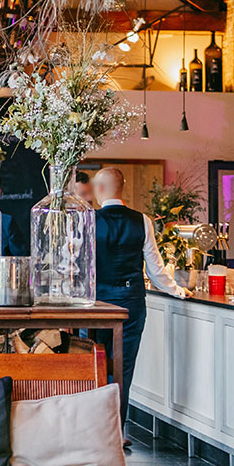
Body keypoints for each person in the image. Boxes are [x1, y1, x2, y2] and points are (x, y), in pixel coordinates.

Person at [91, 167, 185, 427]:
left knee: (94, 364)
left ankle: (97, 429)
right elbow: (155, 269)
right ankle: (117, 430)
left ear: (100, 189)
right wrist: (175, 290)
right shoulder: (141, 220)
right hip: (131, 302)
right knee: (124, 368)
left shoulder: (89, 220)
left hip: (96, 303)